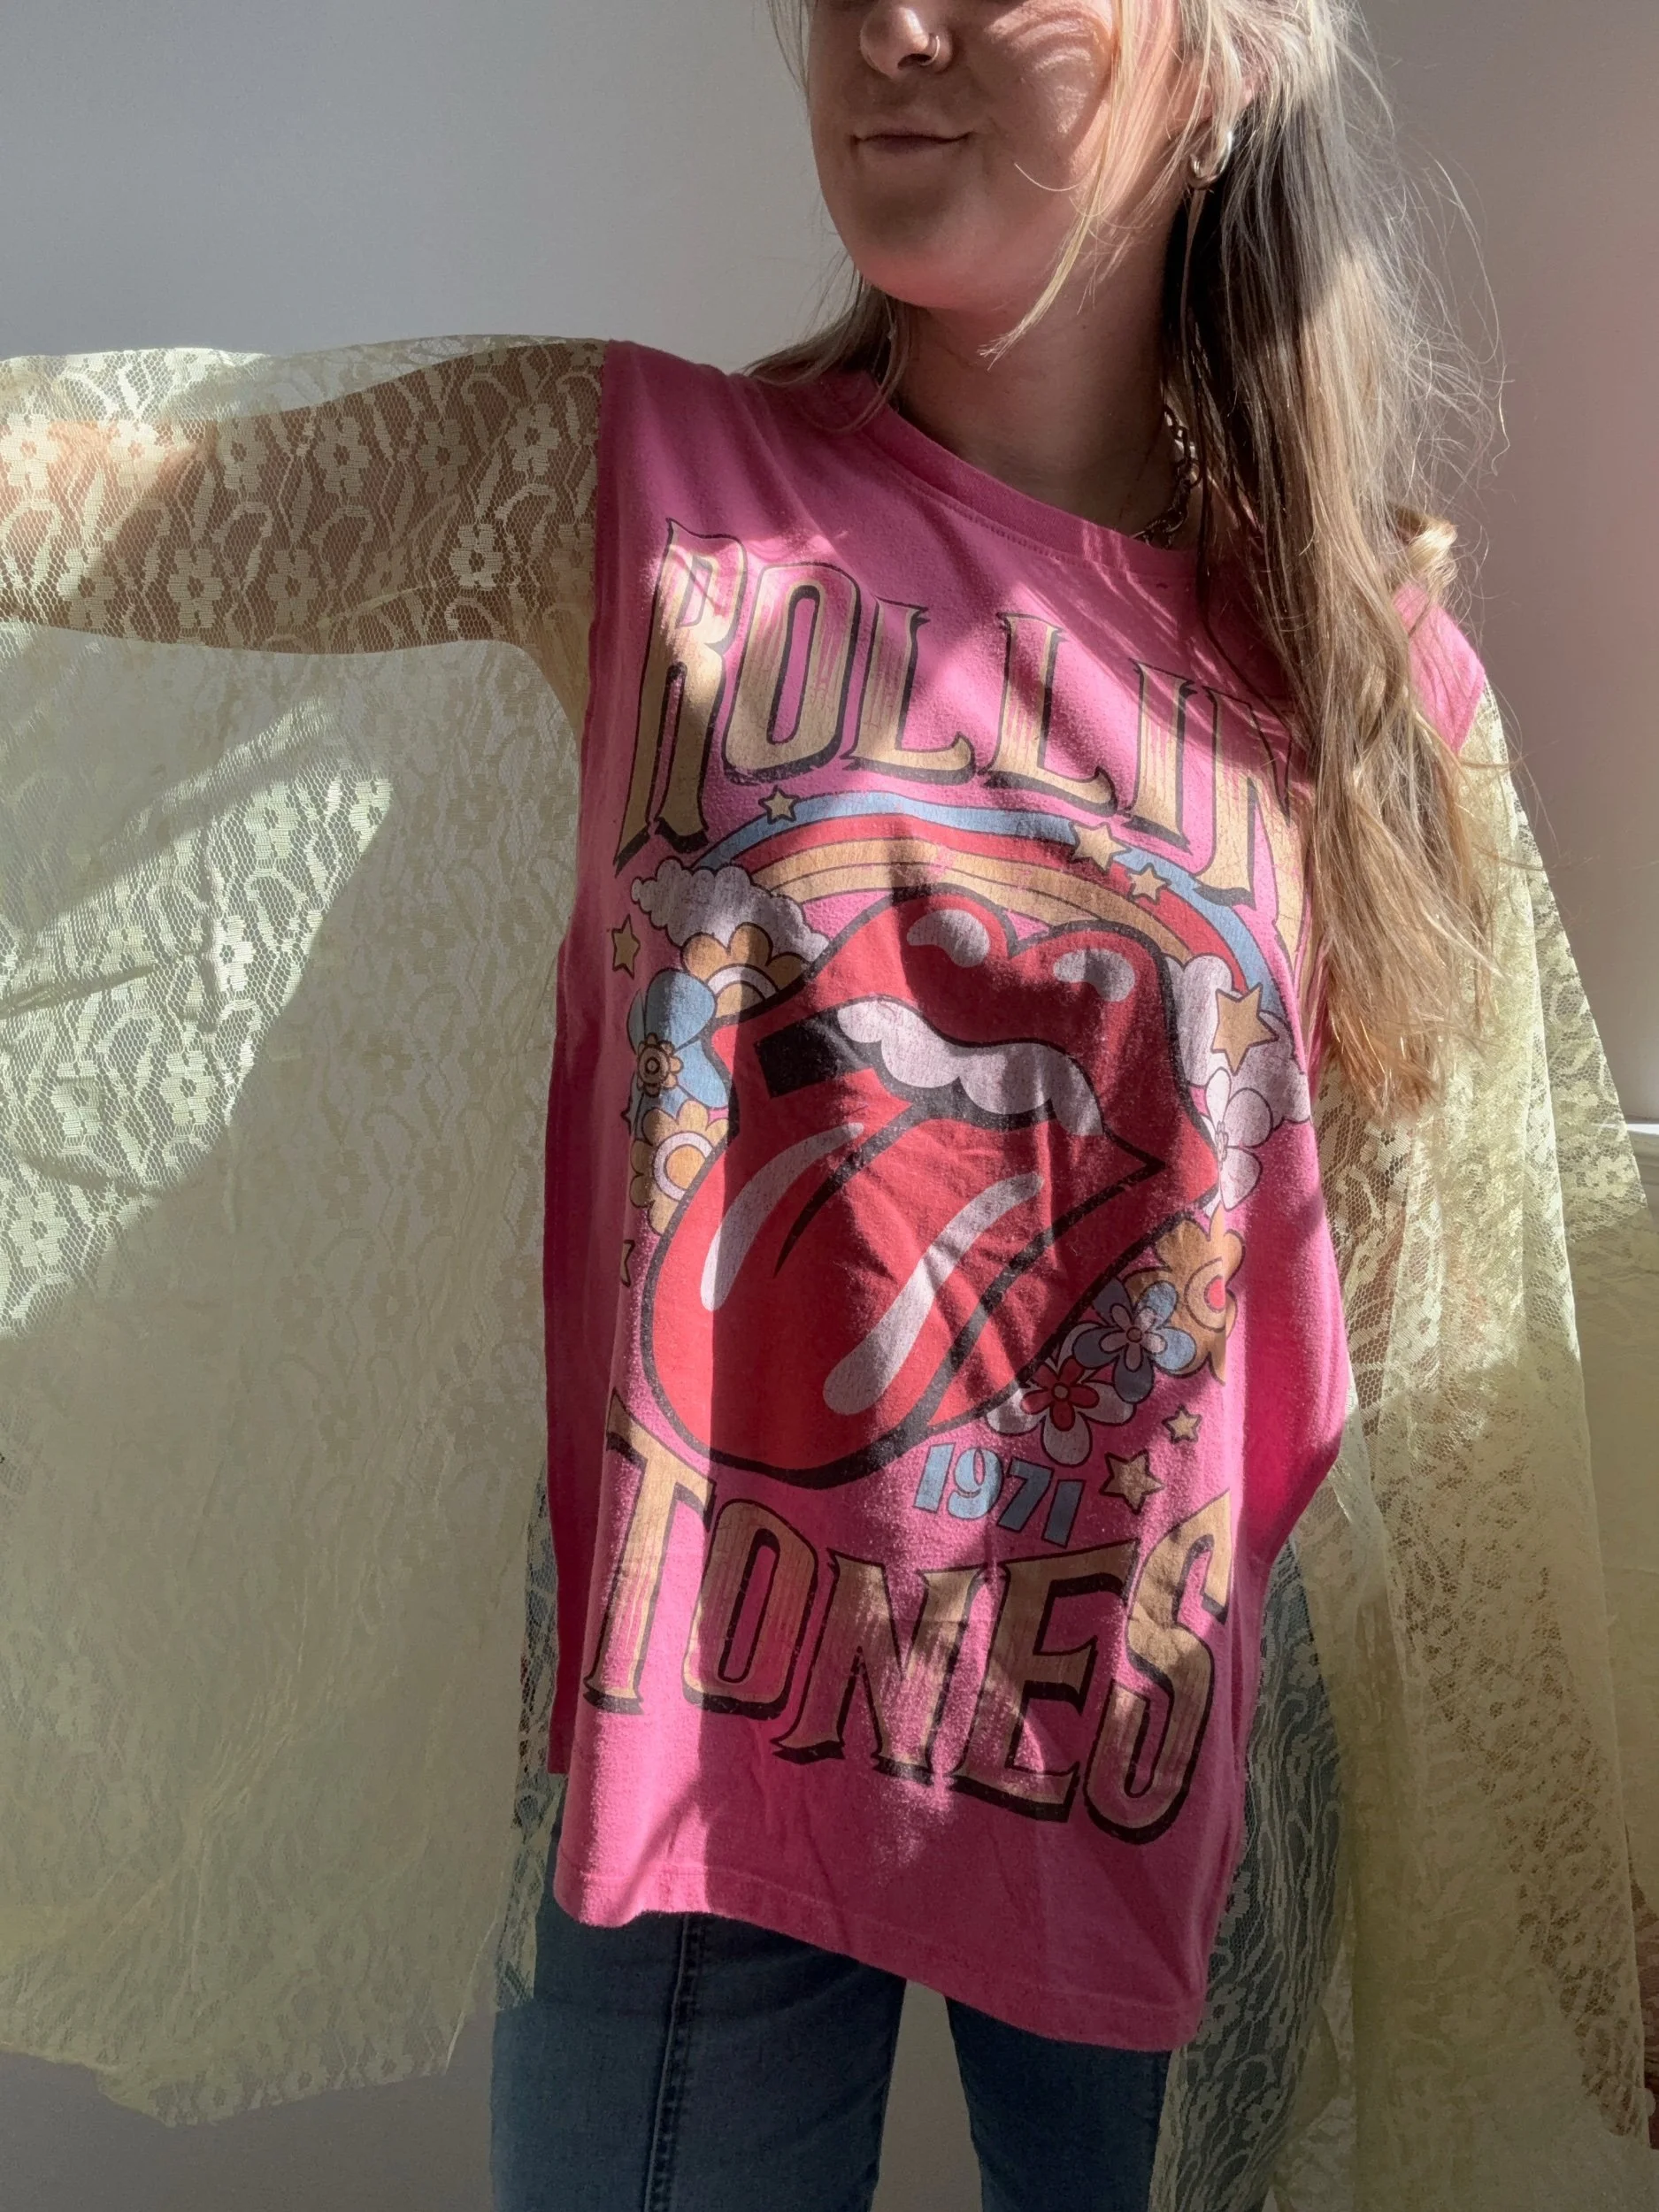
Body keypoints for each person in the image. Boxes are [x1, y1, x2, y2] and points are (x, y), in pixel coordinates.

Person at [1, 4, 1656, 2210]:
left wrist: (1598, 1924)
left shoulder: (1361, 685)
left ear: (1224, 56)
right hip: (695, 1748)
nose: (890, 26)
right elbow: (102, 507)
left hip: (1169, 1773)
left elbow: (1441, 1376)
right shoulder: (641, 491)